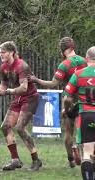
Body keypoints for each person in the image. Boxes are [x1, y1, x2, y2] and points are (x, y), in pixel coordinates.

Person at [29, 37, 87, 167]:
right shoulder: (84, 61)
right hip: (84, 99)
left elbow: (52, 84)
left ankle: (71, 160)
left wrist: (36, 80)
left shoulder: (64, 65)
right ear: (73, 47)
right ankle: (84, 155)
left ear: (62, 51)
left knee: (68, 131)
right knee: (83, 129)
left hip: (69, 99)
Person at [0, 41, 42, 171]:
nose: (1, 54)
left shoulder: (22, 66)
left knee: (20, 127)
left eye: (3, 52)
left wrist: (9, 92)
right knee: (5, 127)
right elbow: (3, 85)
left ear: (12, 52)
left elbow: (24, 88)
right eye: (0, 52)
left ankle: (36, 160)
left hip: (30, 98)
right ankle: (15, 160)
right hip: (18, 98)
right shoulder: (4, 67)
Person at [63, 46, 95, 180]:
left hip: (86, 115)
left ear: (87, 58)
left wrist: (67, 108)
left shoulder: (78, 74)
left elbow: (67, 97)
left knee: (87, 152)